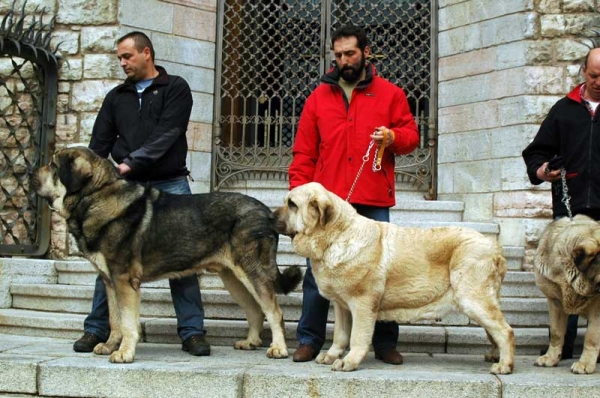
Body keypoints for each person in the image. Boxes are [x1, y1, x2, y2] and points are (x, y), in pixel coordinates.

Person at [72, 31, 210, 356]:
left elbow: (168, 134)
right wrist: (91, 180)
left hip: (171, 183)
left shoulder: (175, 87)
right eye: (119, 57)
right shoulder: (116, 97)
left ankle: (192, 332)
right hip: (125, 188)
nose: (122, 63)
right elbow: (98, 146)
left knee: (184, 257)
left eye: (127, 56)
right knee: (110, 258)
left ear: (146, 53)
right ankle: (98, 329)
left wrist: (129, 163)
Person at [288, 25, 420, 364]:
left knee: (380, 273)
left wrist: (392, 137)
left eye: (350, 53)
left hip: (371, 197)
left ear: (366, 52)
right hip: (327, 206)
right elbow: (304, 152)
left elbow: (411, 136)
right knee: (317, 274)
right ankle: (310, 339)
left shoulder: (391, 94)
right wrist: (298, 195)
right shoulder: (318, 97)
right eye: (338, 55)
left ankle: (384, 343)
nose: (344, 60)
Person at [522, 47, 600, 361]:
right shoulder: (563, 110)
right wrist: (543, 171)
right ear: (583, 72)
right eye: (594, 75)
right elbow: (536, 152)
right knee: (564, 278)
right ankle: (562, 345)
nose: (599, 82)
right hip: (571, 210)